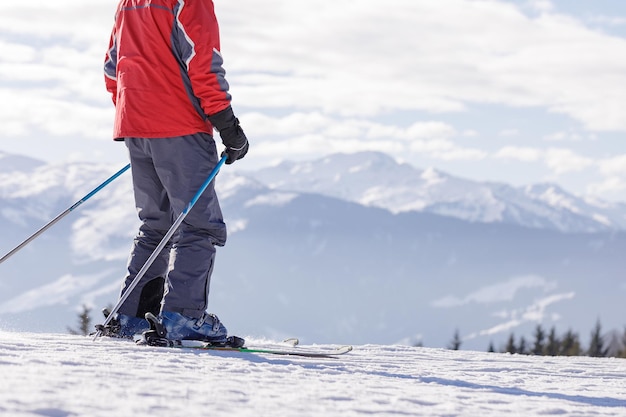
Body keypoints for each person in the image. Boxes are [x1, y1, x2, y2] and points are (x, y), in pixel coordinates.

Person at [101, 0, 248, 344]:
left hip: (135, 123)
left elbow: (112, 67)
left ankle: (132, 317)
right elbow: (203, 61)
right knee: (198, 224)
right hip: (178, 124)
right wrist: (227, 125)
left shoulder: (128, 4)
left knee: (156, 224)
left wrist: (137, 115)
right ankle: (185, 316)